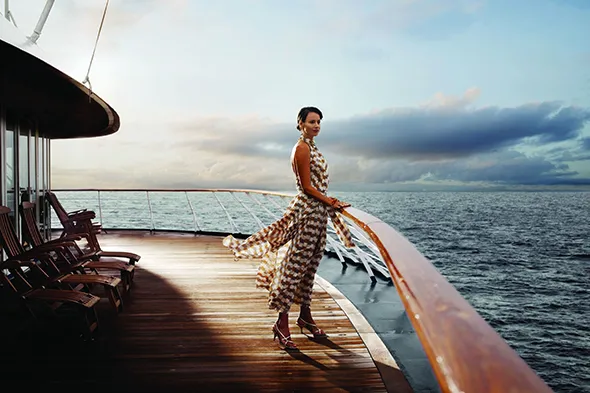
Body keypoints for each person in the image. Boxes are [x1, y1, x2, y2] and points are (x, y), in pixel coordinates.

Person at [223, 106, 355, 350]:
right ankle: (281, 323)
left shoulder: (313, 147)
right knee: (293, 268)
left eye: (319, 122)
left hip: (318, 215)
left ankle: (305, 315)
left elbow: (316, 186)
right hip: (307, 212)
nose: (316, 126)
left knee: (310, 266)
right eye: (312, 121)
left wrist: (327, 203)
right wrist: (331, 202)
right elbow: (306, 187)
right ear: (301, 123)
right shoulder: (302, 148)